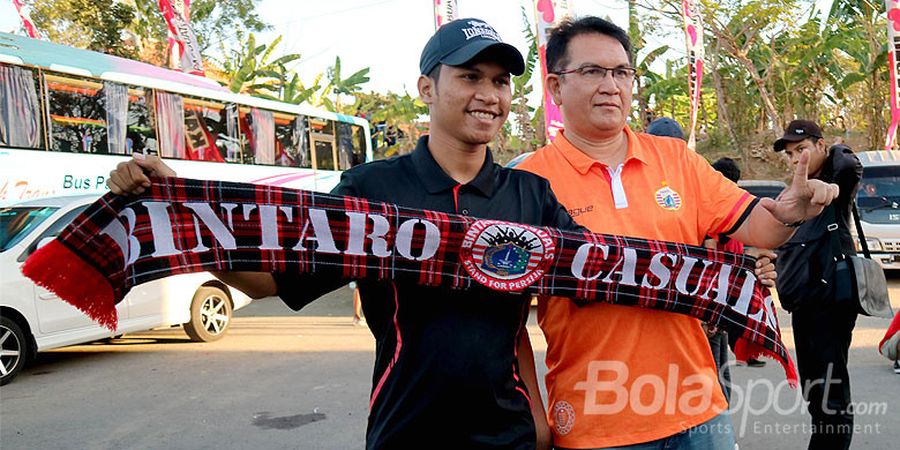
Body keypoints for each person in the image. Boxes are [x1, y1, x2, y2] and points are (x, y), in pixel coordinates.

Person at [107, 18, 581, 449]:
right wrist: (180, 212)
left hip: (511, 438)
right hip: (406, 433)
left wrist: (538, 422)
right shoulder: (371, 189)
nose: (490, 94)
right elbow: (270, 280)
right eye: (470, 76)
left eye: (501, 81)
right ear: (426, 88)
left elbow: (603, 274)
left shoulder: (531, 196)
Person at [515, 16, 839, 449]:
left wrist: (792, 211)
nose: (611, 84)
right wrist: (534, 414)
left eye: (621, 72)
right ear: (555, 87)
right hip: (597, 425)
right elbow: (508, 322)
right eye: (592, 71)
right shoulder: (526, 181)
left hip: (700, 415)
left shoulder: (676, 160)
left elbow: (760, 227)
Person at [774, 119, 863, 450]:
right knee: (816, 392)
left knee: (831, 396)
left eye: (803, 149)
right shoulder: (798, 194)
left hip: (830, 302)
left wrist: (834, 152)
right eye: (791, 154)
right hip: (804, 304)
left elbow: (849, 166)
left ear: (822, 146)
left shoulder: (834, 186)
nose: (797, 159)